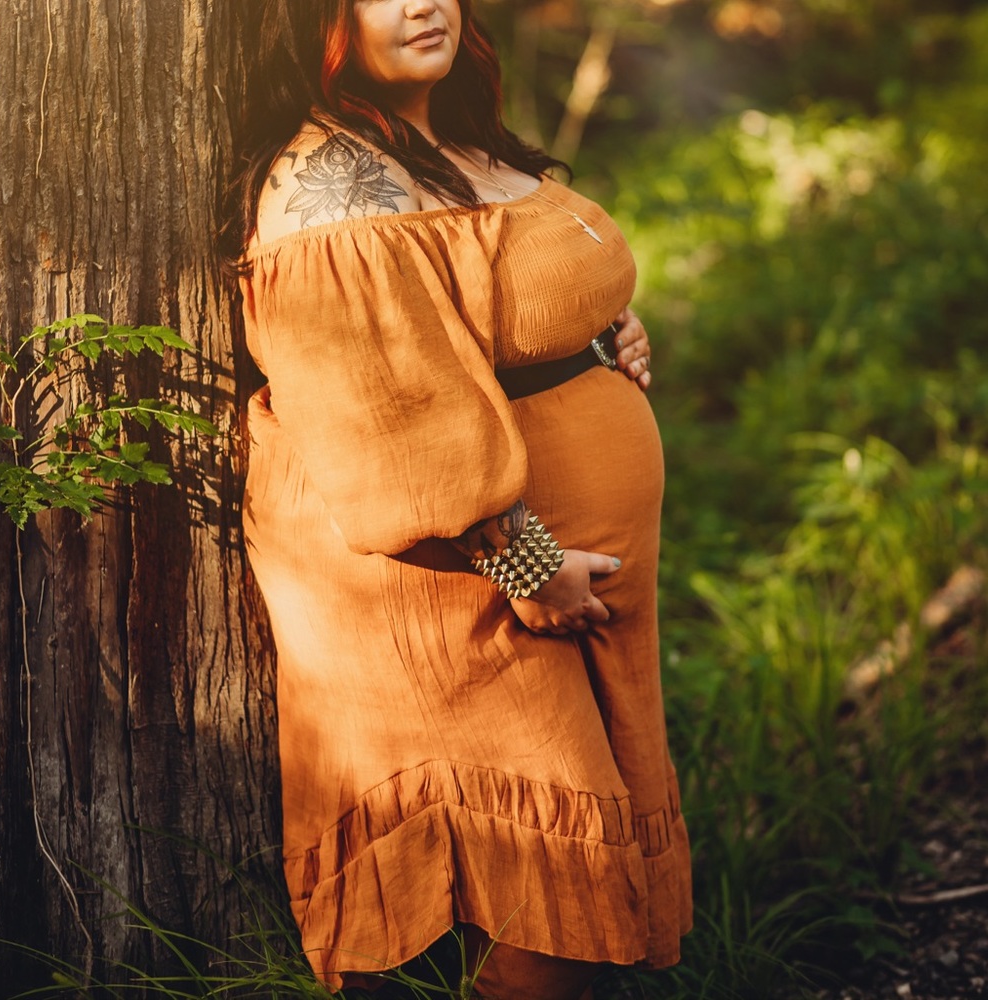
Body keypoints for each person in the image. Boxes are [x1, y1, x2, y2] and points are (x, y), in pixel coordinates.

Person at [220, 0, 692, 996]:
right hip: (457, 586)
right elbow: (386, 415)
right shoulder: (327, 183)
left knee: (558, 891)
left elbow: (507, 299)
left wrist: (602, 330)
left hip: (548, 580)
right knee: (539, 907)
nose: (421, 2)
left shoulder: (458, 138)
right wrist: (530, 566)